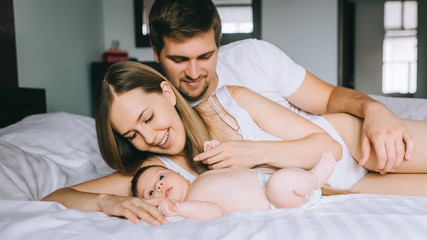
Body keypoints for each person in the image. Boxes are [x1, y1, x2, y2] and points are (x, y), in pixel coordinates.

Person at [43, 61, 427, 227]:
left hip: (350, 140)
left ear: (167, 92)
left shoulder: (229, 100)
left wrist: (254, 152)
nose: (148, 137)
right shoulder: (152, 174)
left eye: (147, 118)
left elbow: (328, 146)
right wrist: (107, 201)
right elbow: (55, 198)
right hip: (343, 187)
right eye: (132, 135)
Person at [148, 0, 414, 175]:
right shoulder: (157, 116)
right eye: (179, 60)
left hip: (346, 138)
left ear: (218, 45)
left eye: (205, 57)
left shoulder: (253, 55)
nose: (194, 73)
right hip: (325, 182)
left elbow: (330, 97)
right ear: (156, 52)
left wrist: (373, 109)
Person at [130, 141, 337, 221]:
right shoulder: (192, 203)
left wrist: (214, 155)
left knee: (279, 179)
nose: (159, 185)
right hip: (276, 200)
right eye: (150, 193)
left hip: (268, 181)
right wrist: (180, 209)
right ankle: (316, 177)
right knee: (279, 183)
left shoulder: (201, 178)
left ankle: (310, 178)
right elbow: (215, 212)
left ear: (180, 175)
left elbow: (234, 173)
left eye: (161, 176)